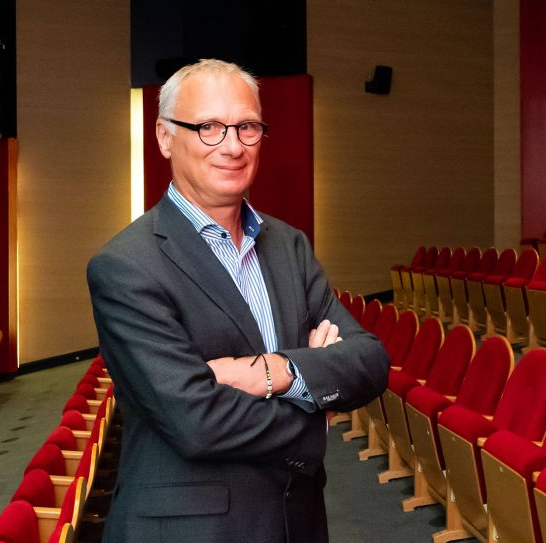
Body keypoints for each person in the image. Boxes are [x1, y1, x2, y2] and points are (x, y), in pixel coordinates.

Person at [86, 59, 389, 543]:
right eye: (208, 127)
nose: (232, 146)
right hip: (194, 530)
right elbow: (197, 422)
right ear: (165, 137)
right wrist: (316, 404)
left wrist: (271, 371)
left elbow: (370, 360)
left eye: (247, 127)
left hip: (298, 521)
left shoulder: (289, 244)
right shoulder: (126, 266)